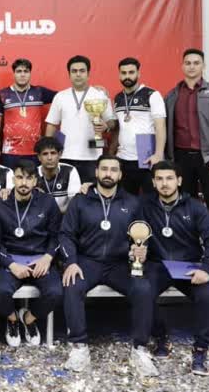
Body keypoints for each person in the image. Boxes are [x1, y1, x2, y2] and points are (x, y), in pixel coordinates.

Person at [59, 155, 156, 376]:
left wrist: (140, 251)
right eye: (104, 169)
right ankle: (79, 347)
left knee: (143, 288)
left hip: (119, 264)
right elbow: (65, 234)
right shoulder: (80, 201)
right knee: (72, 284)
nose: (108, 174)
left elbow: (141, 235)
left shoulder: (132, 203)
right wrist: (71, 262)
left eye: (113, 170)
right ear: (96, 172)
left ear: (120, 175)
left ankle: (140, 349)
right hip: (87, 261)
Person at [140, 160, 209, 376]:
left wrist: (206, 268)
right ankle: (161, 338)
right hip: (158, 265)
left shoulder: (195, 207)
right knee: (141, 291)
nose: (164, 183)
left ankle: (201, 349)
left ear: (179, 181)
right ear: (153, 182)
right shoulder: (144, 206)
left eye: (169, 178)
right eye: (159, 179)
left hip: (189, 265)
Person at [164, 48, 209, 268]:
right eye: (188, 63)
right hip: (181, 159)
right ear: (182, 66)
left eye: (196, 63)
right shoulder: (172, 95)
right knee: (186, 205)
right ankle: (190, 249)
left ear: (203, 66)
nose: (192, 66)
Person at [0, 160, 63, 347]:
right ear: (12, 179)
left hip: (40, 259)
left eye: (29, 178)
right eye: (19, 177)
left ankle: (29, 319)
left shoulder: (47, 202)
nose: (24, 183)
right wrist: (10, 264)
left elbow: (56, 235)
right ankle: (12, 319)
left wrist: (48, 258)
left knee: (56, 292)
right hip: (12, 259)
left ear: (35, 181)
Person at [45, 55, 117, 183]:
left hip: (92, 156)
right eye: (74, 71)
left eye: (82, 71)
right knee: (66, 193)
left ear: (88, 73)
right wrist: (47, 150)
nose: (78, 74)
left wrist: (106, 126)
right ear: (69, 74)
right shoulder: (60, 96)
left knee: (90, 192)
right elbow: (51, 124)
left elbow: (112, 121)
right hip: (65, 155)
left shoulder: (100, 95)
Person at [111, 57, 166, 195]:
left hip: (146, 159)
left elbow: (160, 126)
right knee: (126, 201)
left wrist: (158, 154)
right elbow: (118, 127)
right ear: (119, 74)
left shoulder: (152, 95)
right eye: (123, 73)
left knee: (151, 200)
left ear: (138, 73)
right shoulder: (117, 98)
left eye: (131, 72)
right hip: (123, 159)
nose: (127, 76)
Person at [0, 58, 57, 167]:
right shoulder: (3, 94)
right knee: (11, 178)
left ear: (30, 73)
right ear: (14, 73)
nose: (22, 75)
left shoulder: (39, 92)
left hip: (35, 151)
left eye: (26, 71)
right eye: (19, 71)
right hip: (10, 152)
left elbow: (62, 97)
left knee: (33, 178)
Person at [34, 137, 82, 213]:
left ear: (60, 154)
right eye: (45, 154)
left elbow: (74, 202)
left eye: (53, 153)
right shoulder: (33, 173)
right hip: (39, 216)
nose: (49, 158)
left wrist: (55, 214)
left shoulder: (70, 170)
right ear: (39, 157)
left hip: (64, 215)